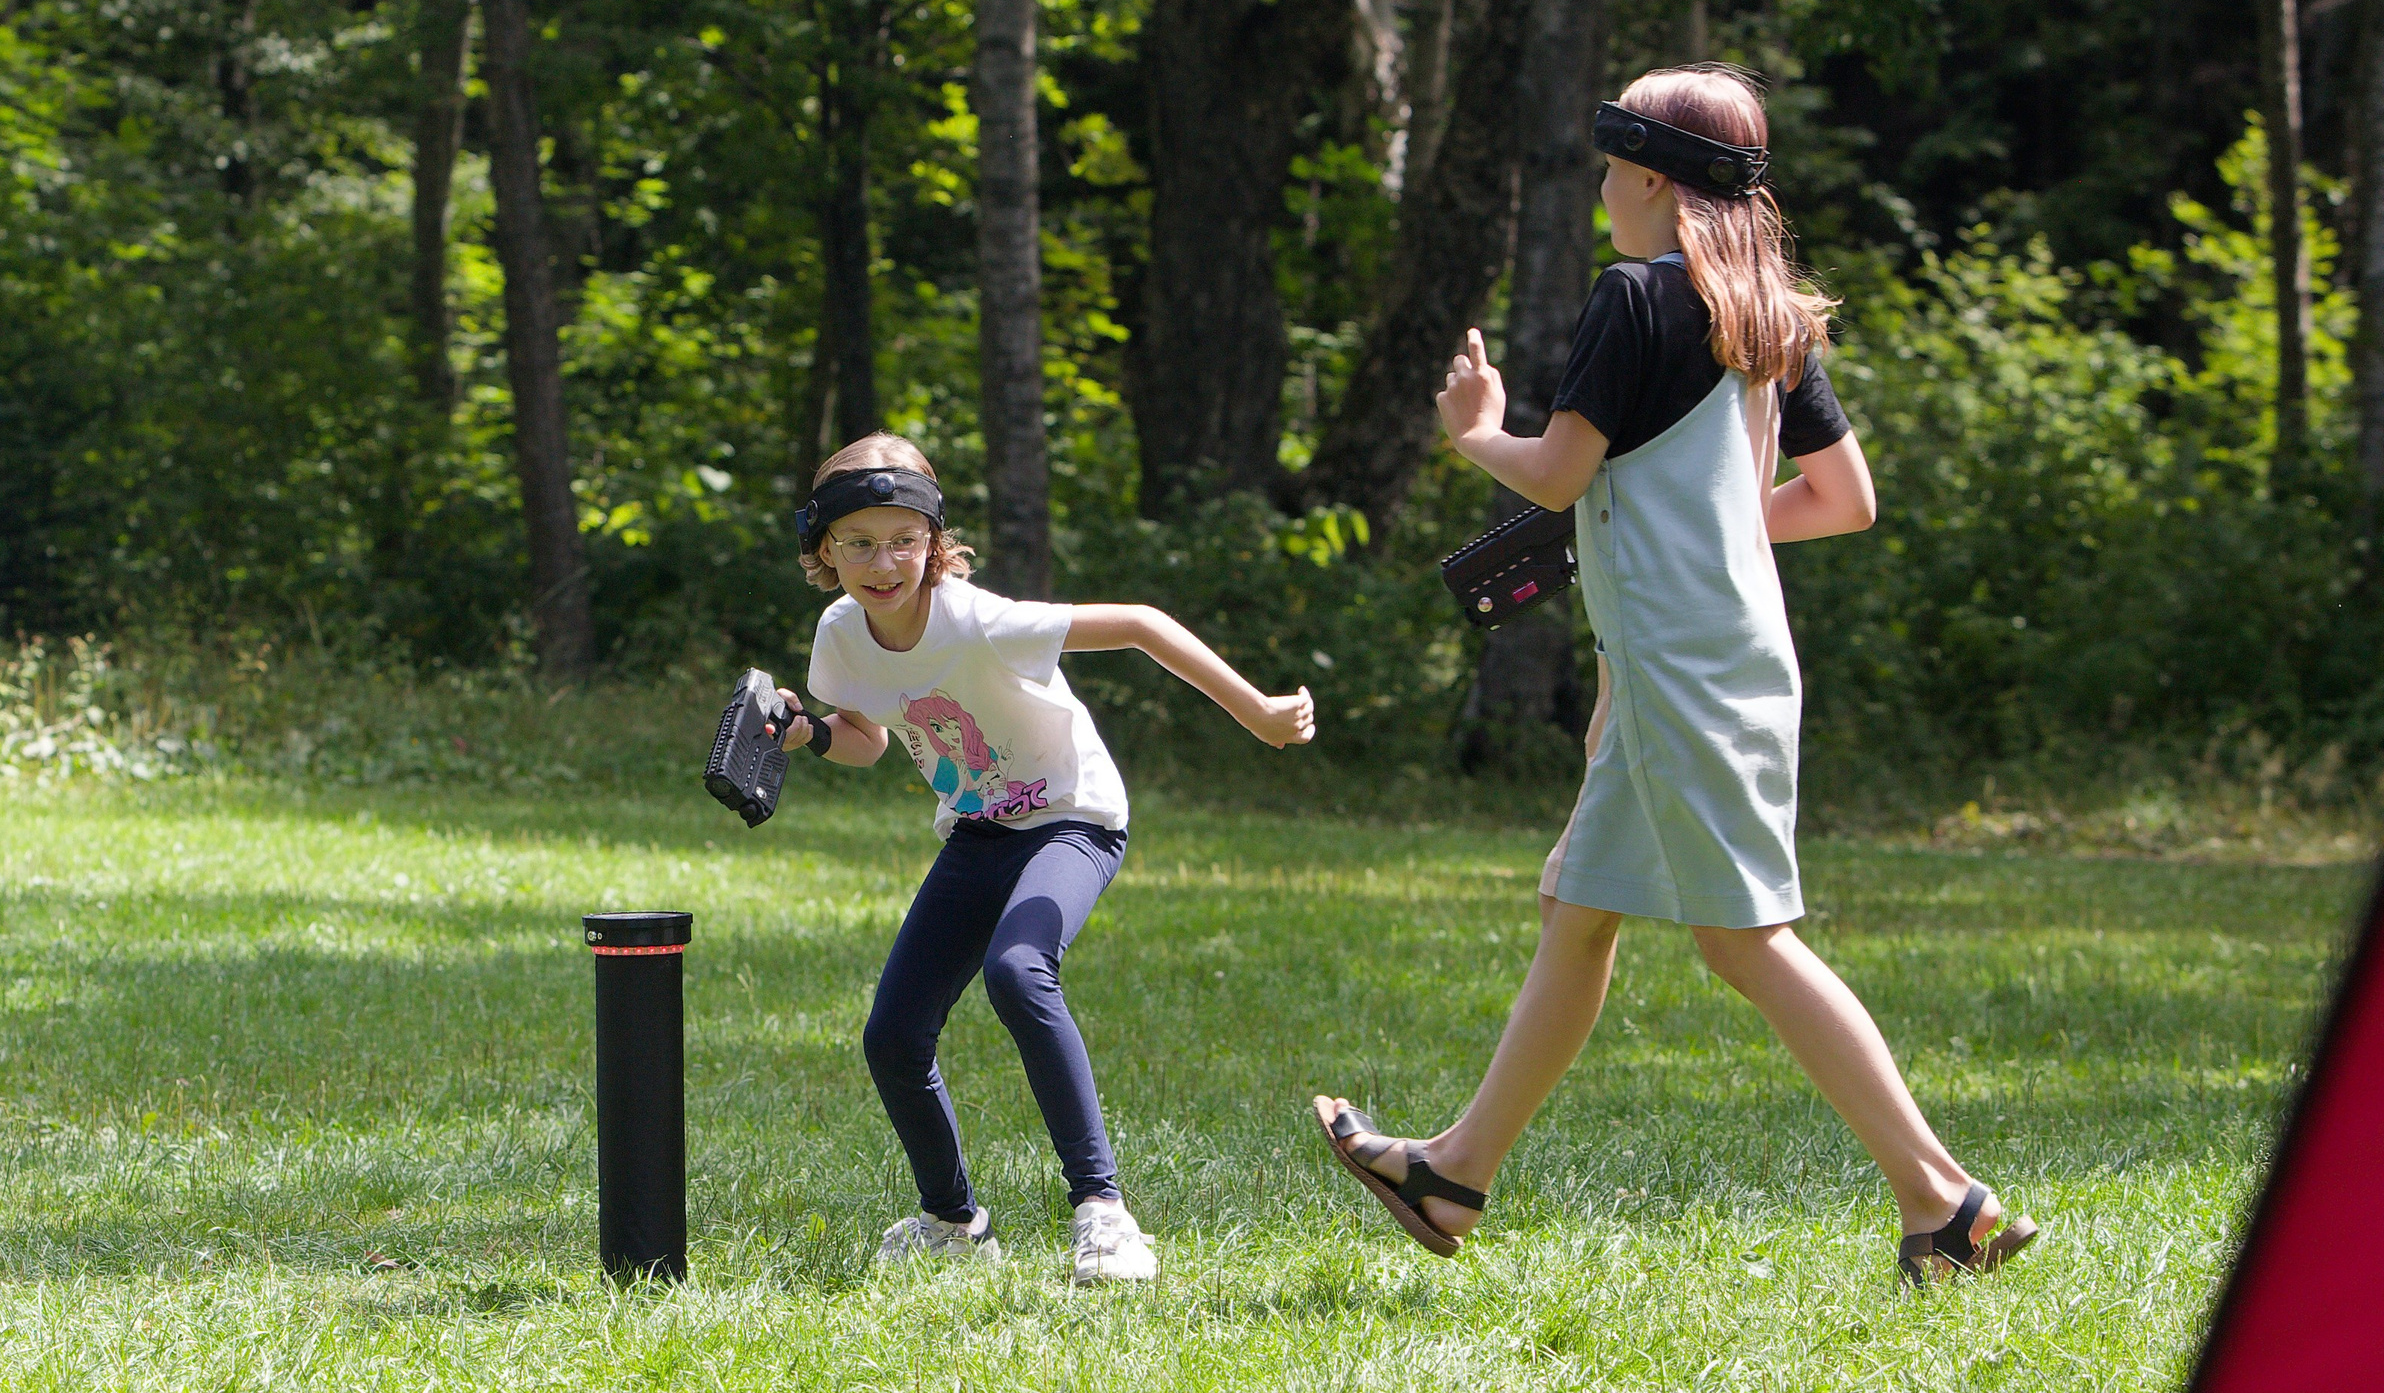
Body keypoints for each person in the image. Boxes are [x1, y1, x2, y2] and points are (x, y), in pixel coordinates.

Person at [1314, 64, 2039, 1290]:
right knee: (1578, 908)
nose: (1602, 191)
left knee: (1746, 941)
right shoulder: (1764, 311)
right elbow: (1841, 500)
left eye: (1607, 170)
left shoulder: (1634, 297)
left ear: (1647, 176)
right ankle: (1452, 1174)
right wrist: (1686, 547)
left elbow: (1552, 474)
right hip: (1710, 648)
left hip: (1680, 660)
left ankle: (1943, 1198)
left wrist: (1472, 427)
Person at [776, 432, 1317, 1284]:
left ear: (934, 539)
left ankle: (1104, 1213)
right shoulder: (840, 636)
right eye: (859, 542)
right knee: (892, 1034)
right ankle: (953, 1221)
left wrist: (1257, 713)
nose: (884, 562)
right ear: (822, 547)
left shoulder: (981, 621)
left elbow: (1140, 624)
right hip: (979, 830)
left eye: (904, 539)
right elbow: (868, 740)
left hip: (1074, 817)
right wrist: (807, 733)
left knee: (1019, 969)